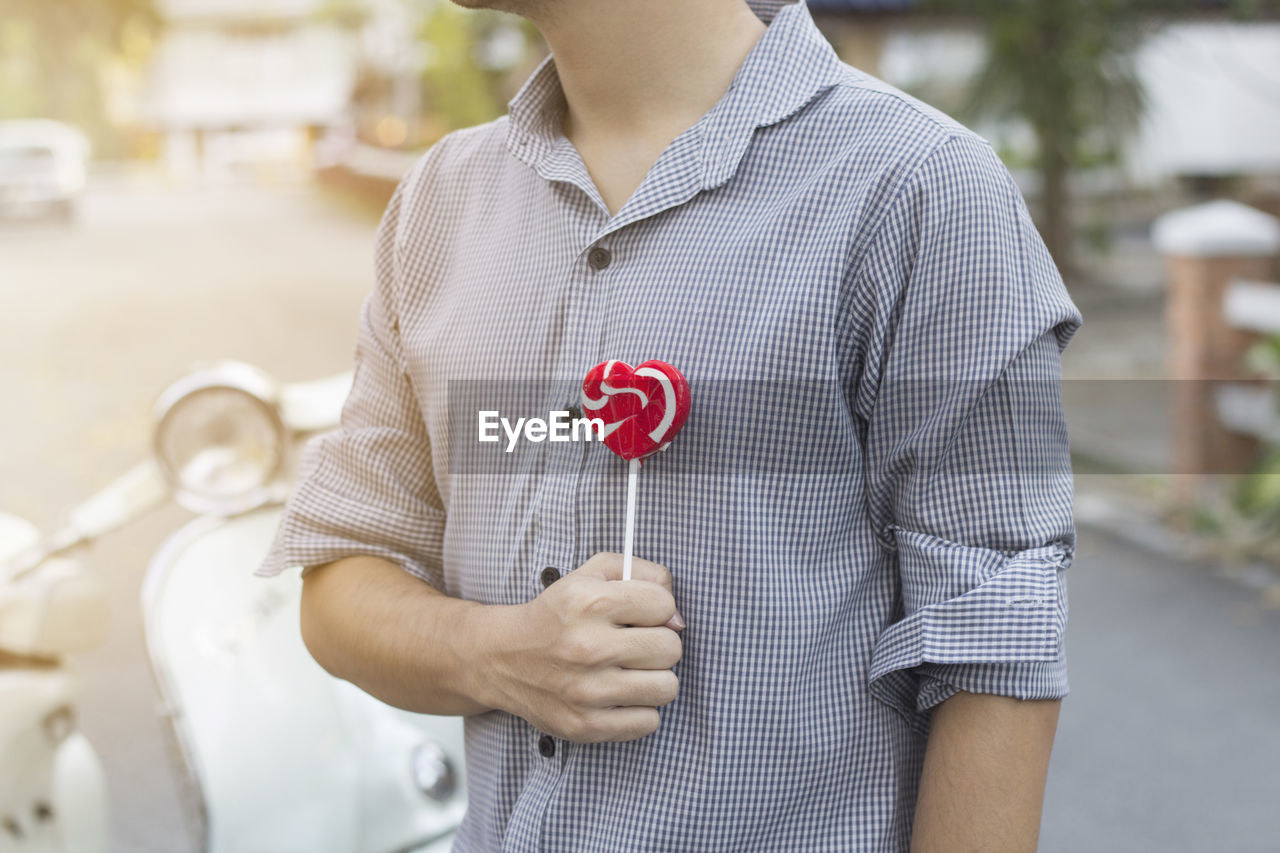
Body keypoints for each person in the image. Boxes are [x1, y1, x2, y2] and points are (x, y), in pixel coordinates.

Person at [257, 0, 1084, 849]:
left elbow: (994, 644)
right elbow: (340, 579)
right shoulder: (441, 200)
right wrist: (499, 653)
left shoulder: (920, 188)